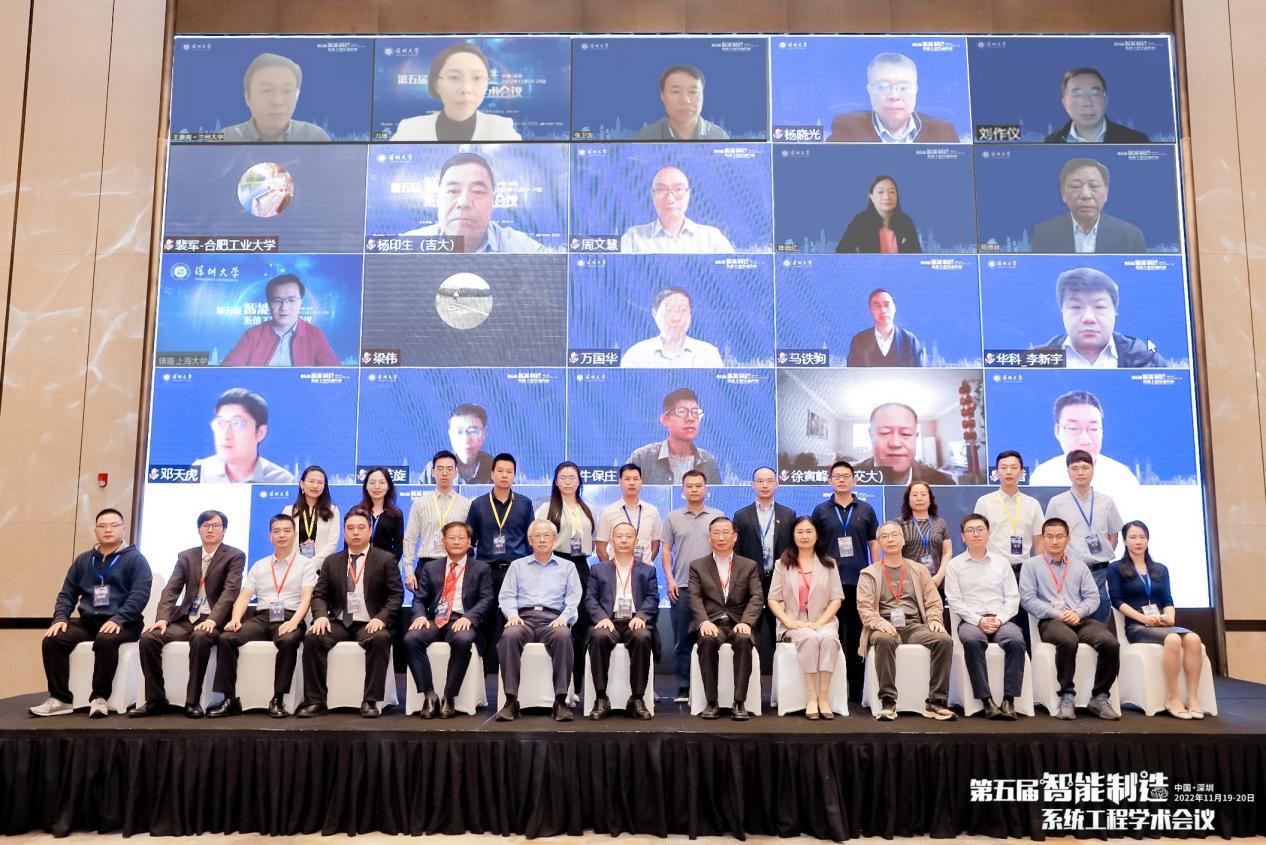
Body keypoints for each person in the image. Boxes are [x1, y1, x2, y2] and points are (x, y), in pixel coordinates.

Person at [30, 509, 152, 718]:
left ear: (123, 529)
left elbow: (139, 595)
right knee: (53, 639)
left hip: (125, 623)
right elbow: (67, 594)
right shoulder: (84, 560)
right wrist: (60, 618)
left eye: (114, 525)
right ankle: (60, 699)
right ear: (95, 530)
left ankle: (99, 698)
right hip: (89, 622)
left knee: (106, 639)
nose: (108, 530)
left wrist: (119, 618)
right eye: (102, 526)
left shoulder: (136, 560)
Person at [129, 511, 245, 718]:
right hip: (186, 618)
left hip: (213, 620)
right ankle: (156, 700)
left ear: (224, 530)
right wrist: (162, 619)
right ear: (198, 530)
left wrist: (212, 620)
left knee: (200, 638)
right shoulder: (186, 556)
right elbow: (171, 589)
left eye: (216, 525)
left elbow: (230, 592)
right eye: (205, 525)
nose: (210, 530)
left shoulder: (234, 556)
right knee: (148, 638)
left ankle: (192, 701)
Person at [208, 513, 317, 718]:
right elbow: (244, 596)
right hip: (262, 617)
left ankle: (278, 699)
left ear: (294, 535)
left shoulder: (306, 564)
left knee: (288, 641)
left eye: (286, 531)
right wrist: (235, 619)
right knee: (226, 637)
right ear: (270, 536)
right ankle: (229, 699)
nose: (281, 535)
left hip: (290, 616)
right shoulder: (260, 565)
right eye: (276, 531)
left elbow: (306, 598)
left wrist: (294, 622)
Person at [297, 507, 402, 718]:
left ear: (370, 531)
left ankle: (370, 701)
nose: (355, 532)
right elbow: (319, 595)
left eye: (361, 527)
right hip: (340, 621)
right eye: (350, 528)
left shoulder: (385, 559)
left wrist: (381, 618)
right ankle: (316, 701)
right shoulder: (332, 561)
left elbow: (396, 596)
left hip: (370, 622)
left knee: (380, 638)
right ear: (344, 531)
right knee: (313, 638)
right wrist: (321, 616)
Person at [1020, 517, 1121, 720]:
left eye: (1059, 536)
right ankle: (1067, 695)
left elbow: (1093, 597)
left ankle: (1100, 696)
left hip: (1079, 619)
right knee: (1068, 640)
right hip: (1051, 621)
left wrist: (1078, 613)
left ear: (1068, 538)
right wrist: (1057, 613)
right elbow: (1028, 600)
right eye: (1049, 536)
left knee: (1110, 642)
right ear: (1043, 538)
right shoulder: (1031, 566)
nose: (1054, 541)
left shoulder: (1079, 566)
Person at [856, 521, 956, 721]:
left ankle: (936, 701)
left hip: (914, 626)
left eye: (894, 535)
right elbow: (865, 609)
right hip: (884, 626)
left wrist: (935, 619)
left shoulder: (919, 570)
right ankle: (888, 701)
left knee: (944, 640)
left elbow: (933, 601)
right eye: (884, 536)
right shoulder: (869, 573)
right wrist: (880, 623)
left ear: (903, 540)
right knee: (883, 640)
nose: (890, 539)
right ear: (879, 543)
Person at [1107, 520, 1207, 719]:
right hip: (1136, 625)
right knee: (1173, 639)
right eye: (1133, 537)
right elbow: (1117, 601)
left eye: (1142, 537)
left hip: (1161, 623)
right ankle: (1173, 698)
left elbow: (1167, 599)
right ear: (1124, 541)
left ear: (1148, 539)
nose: (1138, 541)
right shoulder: (1116, 568)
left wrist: (1169, 618)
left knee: (1194, 639)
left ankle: (1193, 699)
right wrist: (1144, 618)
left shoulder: (1160, 569)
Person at [495, 519, 583, 722]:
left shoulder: (568, 567)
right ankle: (511, 701)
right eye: (537, 536)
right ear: (530, 540)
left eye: (546, 535)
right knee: (509, 636)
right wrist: (513, 615)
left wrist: (564, 618)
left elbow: (573, 598)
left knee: (563, 636)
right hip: (523, 618)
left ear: (554, 539)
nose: (542, 540)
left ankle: (560, 701)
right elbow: (506, 596)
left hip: (553, 619)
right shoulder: (517, 566)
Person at [405, 521, 494, 719]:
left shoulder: (481, 568)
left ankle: (449, 696)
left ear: (469, 542)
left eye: (461, 538)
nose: (456, 542)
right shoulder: (431, 567)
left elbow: (486, 599)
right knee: (411, 639)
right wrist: (420, 616)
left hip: (461, 619)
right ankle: (429, 695)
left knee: (463, 640)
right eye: (451, 538)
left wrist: (469, 617)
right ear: (443, 542)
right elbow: (419, 598)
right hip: (435, 619)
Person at [811, 460, 880, 703]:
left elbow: (873, 543)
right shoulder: (821, 510)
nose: (841, 480)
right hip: (829, 584)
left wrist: (876, 571)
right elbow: (813, 545)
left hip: (860, 582)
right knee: (833, 636)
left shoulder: (866, 509)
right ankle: (833, 690)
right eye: (837, 476)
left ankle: (857, 690)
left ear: (854, 480)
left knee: (858, 637)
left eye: (846, 476)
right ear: (829, 481)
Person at [944, 514, 1025, 720]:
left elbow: (1013, 597)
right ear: (963, 537)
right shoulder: (954, 565)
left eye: (980, 529)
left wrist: (1000, 619)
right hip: (971, 621)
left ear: (988, 533)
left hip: (1001, 620)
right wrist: (978, 620)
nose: (976, 534)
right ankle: (986, 700)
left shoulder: (1002, 563)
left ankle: (1009, 700)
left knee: (1016, 640)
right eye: (970, 530)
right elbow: (954, 600)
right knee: (972, 641)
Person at [767, 517, 845, 719]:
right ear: (793, 536)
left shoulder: (829, 564)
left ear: (817, 535)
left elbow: (836, 599)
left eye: (809, 531)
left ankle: (823, 698)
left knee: (829, 639)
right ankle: (811, 698)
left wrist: (819, 623)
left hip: (824, 620)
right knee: (809, 638)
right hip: (794, 622)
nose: (804, 536)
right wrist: (788, 622)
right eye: (799, 532)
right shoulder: (782, 564)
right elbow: (773, 599)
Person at [466, 452, 536, 675]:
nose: (505, 475)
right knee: (484, 621)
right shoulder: (478, 505)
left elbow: (531, 540)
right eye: (500, 471)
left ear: (514, 475)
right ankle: (481, 673)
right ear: (492, 473)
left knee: (514, 621)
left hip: (516, 572)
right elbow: (470, 541)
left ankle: (511, 673)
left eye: (509, 472)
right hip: (486, 571)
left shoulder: (524, 504)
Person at [661, 469, 727, 702]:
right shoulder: (673, 517)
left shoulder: (718, 516)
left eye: (699, 485)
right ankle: (683, 686)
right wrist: (669, 579)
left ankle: (709, 687)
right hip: (681, 585)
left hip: (713, 588)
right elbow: (666, 550)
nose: (694, 489)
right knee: (682, 639)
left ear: (706, 489)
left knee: (711, 637)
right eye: (689, 486)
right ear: (683, 490)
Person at [690, 517, 764, 720]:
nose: (721, 538)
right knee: (707, 641)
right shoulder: (698, 565)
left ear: (735, 537)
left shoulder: (748, 565)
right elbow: (694, 597)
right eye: (716, 533)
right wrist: (704, 621)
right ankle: (711, 702)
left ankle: (739, 702)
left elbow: (757, 597)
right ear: (709, 538)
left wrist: (746, 622)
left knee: (743, 640)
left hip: (738, 622)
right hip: (712, 622)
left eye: (725, 533)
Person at [585, 522, 660, 720]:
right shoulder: (598, 569)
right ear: (611, 540)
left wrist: (641, 616)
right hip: (608, 620)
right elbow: (590, 599)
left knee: (642, 637)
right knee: (599, 637)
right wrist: (602, 617)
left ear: (636, 541)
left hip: (635, 620)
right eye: (619, 536)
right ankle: (601, 698)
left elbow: (653, 598)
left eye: (628, 536)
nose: (624, 540)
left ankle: (637, 698)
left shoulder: (647, 571)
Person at [401, 153, 547, 253]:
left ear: (494, 201)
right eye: (452, 191)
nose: (464, 202)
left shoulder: (522, 249)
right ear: (438, 198)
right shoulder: (407, 247)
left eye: (477, 192)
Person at [536, 461, 597, 697]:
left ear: (579, 481)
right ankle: (557, 686)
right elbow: (539, 539)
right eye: (563, 477)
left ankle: (577, 685)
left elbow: (592, 541)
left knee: (580, 625)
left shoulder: (587, 508)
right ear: (556, 481)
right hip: (555, 565)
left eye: (572, 477)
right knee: (558, 623)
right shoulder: (547, 508)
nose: (568, 482)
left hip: (581, 566)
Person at [1044, 449, 1123, 624]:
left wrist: (1100, 555)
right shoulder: (1057, 503)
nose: (1080, 472)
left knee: (1099, 625)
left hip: (1100, 571)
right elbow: (1049, 538)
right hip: (1069, 571)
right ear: (1068, 472)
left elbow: (1114, 536)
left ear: (1093, 470)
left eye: (1085, 468)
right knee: (1071, 622)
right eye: (1075, 468)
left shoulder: (1106, 501)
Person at [732, 466, 796, 673]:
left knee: (782, 628)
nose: (765, 485)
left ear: (777, 484)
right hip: (752, 580)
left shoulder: (788, 514)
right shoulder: (741, 515)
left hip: (780, 579)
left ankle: (783, 678)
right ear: (753, 485)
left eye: (769, 481)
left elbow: (792, 549)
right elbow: (737, 552)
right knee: (751, 627)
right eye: (760, 481)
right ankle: (751, 679)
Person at [1034, 267, 1164, 368]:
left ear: (1114, 312)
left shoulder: (1147, 360)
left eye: (1100, 307)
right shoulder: (1036, 360)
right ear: (1062, 312)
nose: (1088, 318)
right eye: (1076, 307)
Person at [391, 43, 521, 142]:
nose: (466, 89)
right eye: (454, 77)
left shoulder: (502, 129)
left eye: (477, 78)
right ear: (436, 84)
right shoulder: (410, 129)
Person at [1027, 390, 1140, 497]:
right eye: (1073, 428)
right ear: (1057, 431)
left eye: (1093, 428)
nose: (1085, 440)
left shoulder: (1123, 478)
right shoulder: (1043, 477)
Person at [827, 52, 959, 143]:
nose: (894, 96)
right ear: (870, 90)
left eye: (903, 88)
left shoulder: (943, 131)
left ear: (916, 90)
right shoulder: (847, 127)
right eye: (883, 87)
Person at [1029, 158, 1146, 254]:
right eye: (1075, 186)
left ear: (1106, 192)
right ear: (1063, 193)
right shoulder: (1044, 233)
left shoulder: (1130, 236)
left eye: (1094, 186)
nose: (1085, 195)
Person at [221, 274, 339, 367]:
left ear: (301, 302)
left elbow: (334, 374)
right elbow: (227, 370)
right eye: (277, 300)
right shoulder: (253, 335)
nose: (284, 307)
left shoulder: (315, 335)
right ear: (269, 303)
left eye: (291, 300)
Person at [620, 166, 735, 254]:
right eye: (661, 190)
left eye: (678, 189)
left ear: (688, 194)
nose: (670, 199)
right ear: (653, 196)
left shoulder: (711, 237)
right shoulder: (633, 238)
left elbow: (736, 275)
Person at [403, 450, 473, 592]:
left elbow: (470, 541)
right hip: (427, 565)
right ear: (433, 472)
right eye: (440, 469)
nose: (444, 473)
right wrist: (409, 572)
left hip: (455, 566)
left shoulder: (466, 504)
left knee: (455, 606)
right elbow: (410, 539)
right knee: (423, 606)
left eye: (449, 469)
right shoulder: (420, 503)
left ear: (456, 472)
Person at [219, 52, 330, 142]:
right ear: (247, 97)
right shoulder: (225, 138)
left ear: (297, 95)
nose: (277, 101)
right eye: (267, 90)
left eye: (287, 91)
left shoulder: (315, 137)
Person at [194, 388, 295, 483]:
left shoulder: (283, 482)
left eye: (237, 423)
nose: (226, 434)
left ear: (260, 433)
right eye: (220, 423)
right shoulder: (200, 472)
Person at [626, 386, 720, 484]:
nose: (690, 418)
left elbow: (718, 494)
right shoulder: (642, 458)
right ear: (664, 420)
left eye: (695, 412)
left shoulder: (708, 462)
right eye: (682, 412)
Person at [974, 450, 1045, 568]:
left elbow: (1039, 540)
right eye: (1003, 468)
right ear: (996, 473)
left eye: (1014, 468)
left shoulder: (1032, 504)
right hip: (993, 567)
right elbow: (977, 538)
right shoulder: (984, 502)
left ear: (1022, 473)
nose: (1008, 472)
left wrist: (1040, 569)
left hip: (1024, 568)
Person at [621, 286, 725, 368]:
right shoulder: (636, 355)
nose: (676, 318)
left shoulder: (708, 354)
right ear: (654, 314)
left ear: (690, 314)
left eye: (683, 311)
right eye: (669, 311)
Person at [853, 402, 955, 484]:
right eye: (885, 433)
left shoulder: (943, 483)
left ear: (916, 437)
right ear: (871, 435)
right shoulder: (847, 479)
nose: (895, 443)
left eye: (906, 434)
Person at [1044, 68, 1151, 144]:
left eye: (1094, 94)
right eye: (1077, 95)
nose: (1087, 103)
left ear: (1105, 100)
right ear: (1064, 103)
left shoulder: (1136, 141)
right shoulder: (1050, 143)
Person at [632, 64, 729, 141]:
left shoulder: (719, 137)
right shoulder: (644, 137)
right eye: (676, 91)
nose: (685, 100)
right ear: (662, 96)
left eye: (693, 92)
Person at [595, 463, 662, 564]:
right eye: (627, 479)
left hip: (645, 571)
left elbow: (655, 545)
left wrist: (643, 567)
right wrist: (611, 569)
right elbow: (600, 549)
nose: (631, 483)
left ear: (641, 482)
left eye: (635, 479)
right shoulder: (608, 512)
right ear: (620, 482)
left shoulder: (652, 511)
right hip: (616, 571)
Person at [835, 175, 922, 254]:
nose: (887, 197)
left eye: (891, 192)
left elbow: (917, 256)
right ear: (871, 197)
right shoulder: (860, 221)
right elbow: (841, 252)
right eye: (880, 192)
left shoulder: (905, 221)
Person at [846, 288, 928, 367]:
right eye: (877, 306)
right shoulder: (859, 341)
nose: (883, 310)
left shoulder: (910, 341)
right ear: (871, 310)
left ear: (894, 308)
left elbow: (921, 374)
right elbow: (852, 375)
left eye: (886, 305)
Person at [418, 404, 496, 485]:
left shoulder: (497, 469)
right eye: (459, 432)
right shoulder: (433, 470)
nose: (466, 439)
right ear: (450, 435)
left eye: (473, 431)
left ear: (484, 434)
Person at [282, 465, 341, 564]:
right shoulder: (288, 511)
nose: (315, 486)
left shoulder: (333, 511)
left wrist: (310, 565)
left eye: (320, 482)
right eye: (311, 481)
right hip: (295, 567)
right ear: (302, 484)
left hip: (323, 568)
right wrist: (298, 566)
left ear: (324, 486)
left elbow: (333, 543)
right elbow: (285, 541)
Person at [899, 482, 952, 586]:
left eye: (923, 494)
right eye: (914, 495)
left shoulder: (940, 523)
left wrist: (939, 576)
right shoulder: (900, 524)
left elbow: (947, 552)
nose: (919, 498)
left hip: (937, 582)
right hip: (909, 583)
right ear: (908, 499)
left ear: (930, 499)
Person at [360, 467, 404, 562]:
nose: (377, 486)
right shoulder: (358, 511)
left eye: (382, 483)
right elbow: (348, 542)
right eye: (372, 483)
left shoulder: (396, 514)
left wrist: (390, 565)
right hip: (359, 563)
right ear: (366, 486)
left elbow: (398, 545)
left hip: (385, 565)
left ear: (388, 486)